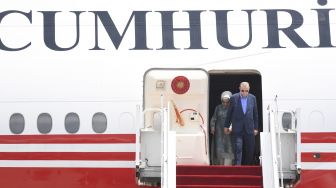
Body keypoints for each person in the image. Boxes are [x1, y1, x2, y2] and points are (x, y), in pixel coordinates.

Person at [224, 82, 258, 165]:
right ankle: (237, 167)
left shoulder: (253, 98)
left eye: (246, 91)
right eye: (242, 90)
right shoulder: (233, 98)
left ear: (249, 89)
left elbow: (255, 114)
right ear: (239, 88)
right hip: (237, 128)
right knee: (238, 148)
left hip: (249, 128)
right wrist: (226, 126)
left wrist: (256, 128)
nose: (244, 93)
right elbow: (229, 113)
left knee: (250, 149)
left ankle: (247, 166)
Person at [210, 91, 234, 165]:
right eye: (224, 102)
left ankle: (228, 165)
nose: (225, 104)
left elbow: (235, 119)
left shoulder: (233, 108)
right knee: (219, 147)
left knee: (229, 147)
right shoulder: (218, 108)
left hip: (229, 132)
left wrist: (231, 128)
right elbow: (214, 118)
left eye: (227, 102)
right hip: (219, 131)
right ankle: (218, 164)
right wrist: (212, 127)